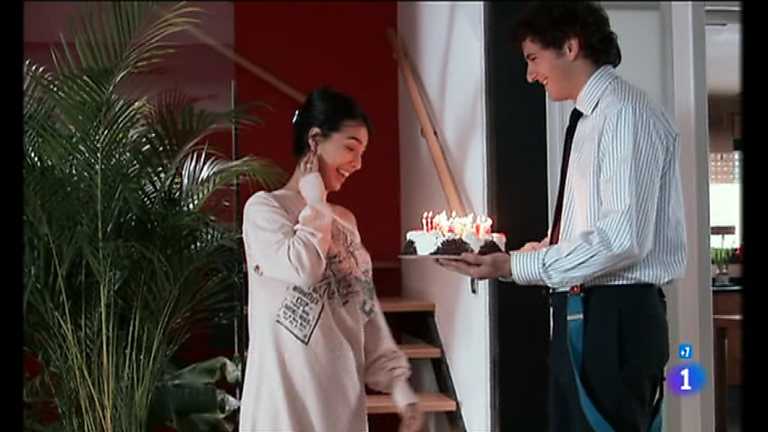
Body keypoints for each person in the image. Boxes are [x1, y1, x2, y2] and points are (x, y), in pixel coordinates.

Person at [437, 2, 686, 431]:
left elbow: (622, 239)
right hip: (587, 310)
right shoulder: (591, 118)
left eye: (534, 58)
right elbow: (598, 230)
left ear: (570, 47)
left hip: (615, 317)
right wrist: (524, 257)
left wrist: (514, 265)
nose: (530, 74)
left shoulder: (623, 114)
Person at [239, 87, 423, 432]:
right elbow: (303, 268)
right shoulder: (264, 209)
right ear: (314, 140)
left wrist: (399, 386)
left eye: (362, 153)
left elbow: (364, 309)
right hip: (284, 409)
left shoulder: (345, 221)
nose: (358, 163)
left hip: (340, 406)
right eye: (351, 148)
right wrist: (315, 202)